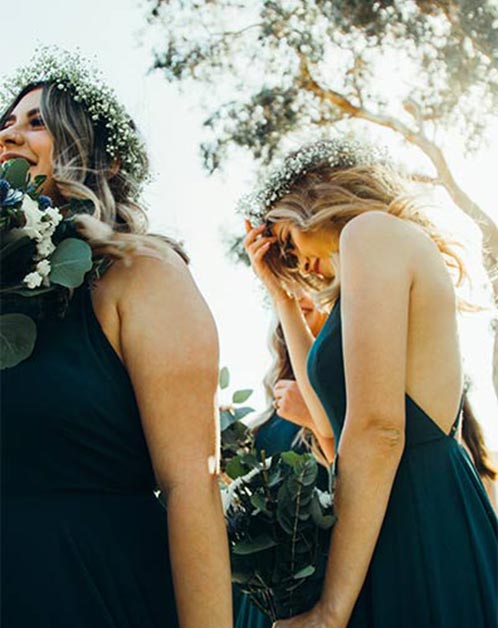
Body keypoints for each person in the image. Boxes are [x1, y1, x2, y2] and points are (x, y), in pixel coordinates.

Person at [0, 49, 232, 628]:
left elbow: (191, 486)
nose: (9, 133)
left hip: (93, 591)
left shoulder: (140, 273)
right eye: (6, 121)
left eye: (38, 122)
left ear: (98, 159)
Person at [242, 138, 497, 628]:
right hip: (384, 511)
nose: (298, 265)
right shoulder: (371, 258)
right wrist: (281, 296)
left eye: (289, 244)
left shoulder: (371, 231)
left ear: (312, 199)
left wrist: (331, 610)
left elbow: (379, 428)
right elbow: (327, 425)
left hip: (414, 508)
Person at [234, 290, 333, 628]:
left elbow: (357, 472)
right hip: (267, 582)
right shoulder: (273, 405)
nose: (300, 294)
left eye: (309, 282)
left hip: (319, 574)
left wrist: (314, 420)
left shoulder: (344, 387)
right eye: (290, 285)